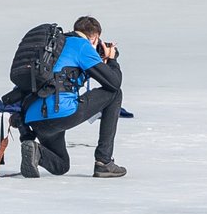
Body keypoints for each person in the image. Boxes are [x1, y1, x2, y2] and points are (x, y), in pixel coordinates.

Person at [17, 16, 126, 178]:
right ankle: (104, 161)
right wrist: (112, 61)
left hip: (34, 119)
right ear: (95, 37)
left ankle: (36, 151)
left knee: (61, 165)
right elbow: (114, 83)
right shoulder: (82, 46)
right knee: (116, 94)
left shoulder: (53, 46)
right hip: (60, 112)